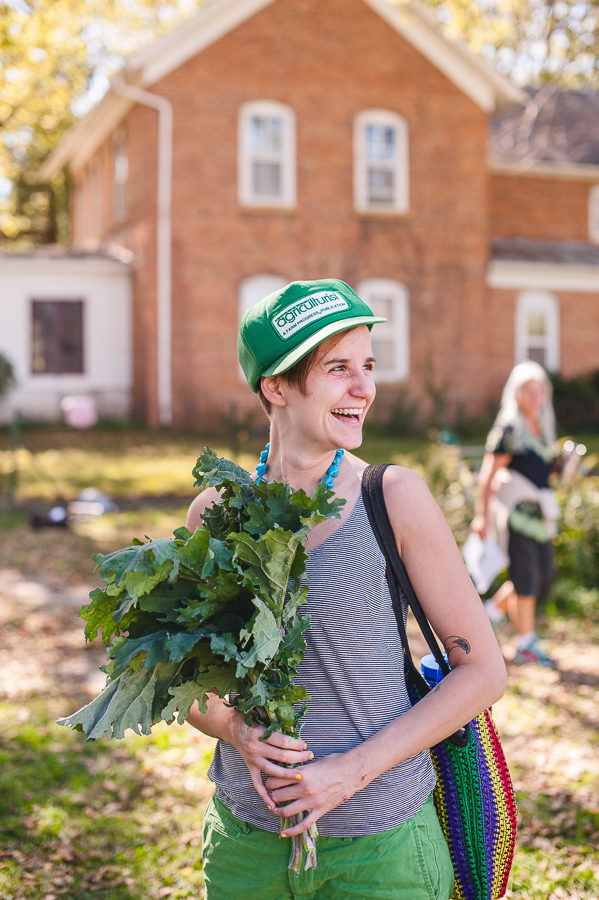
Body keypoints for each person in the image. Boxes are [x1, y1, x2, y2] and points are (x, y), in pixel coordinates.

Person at [186, 278, 507, 900]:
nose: (364, 389)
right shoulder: (214, 514)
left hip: (382, 849)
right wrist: (233, 731)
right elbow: (188, 680)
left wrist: (347, 774)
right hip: (248, 846)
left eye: (367, 366)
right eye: (338, 369)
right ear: (274, 387)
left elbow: (483, 672)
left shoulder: (392, 497)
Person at [471, 360, 560, 668]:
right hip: (515, 515)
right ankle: (525, 644)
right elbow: (487, 475)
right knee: (526, 577)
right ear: (516, 393)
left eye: (540, 391)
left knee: (542, 577)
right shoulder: (509, 429)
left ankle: (492, 613)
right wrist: (481, 517)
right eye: (529, 391)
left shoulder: (542, 428)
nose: (535, 397)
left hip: (540, 517)